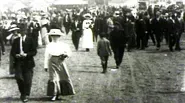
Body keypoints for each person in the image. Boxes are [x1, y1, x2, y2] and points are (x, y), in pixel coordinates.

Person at [44, 29, 75, 101]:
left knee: (63, 77)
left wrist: (65, 54)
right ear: (51, 36)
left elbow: (69, 53)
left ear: (59, 36)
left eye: (56, 36)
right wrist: (45, 65)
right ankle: (54, 94)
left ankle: (63, 92)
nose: (54, 37)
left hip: (61, 62)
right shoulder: (49, 45)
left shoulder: (63, 45)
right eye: (53, 36)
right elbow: (46, 56)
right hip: (52, 62)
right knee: (53, 78)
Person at [10, 26, 37, 102]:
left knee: (28, 80)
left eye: (24, 30)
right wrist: (16, 55)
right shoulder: (16, 40)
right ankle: (22, 93)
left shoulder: (30, 40)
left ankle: (26, 94)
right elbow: (12, 52)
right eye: (21, 31)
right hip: (18, 62)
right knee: (19, 78)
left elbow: (34, 51)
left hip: (28, 62)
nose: (22, 32)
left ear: (26, 31)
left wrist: (26, 54)